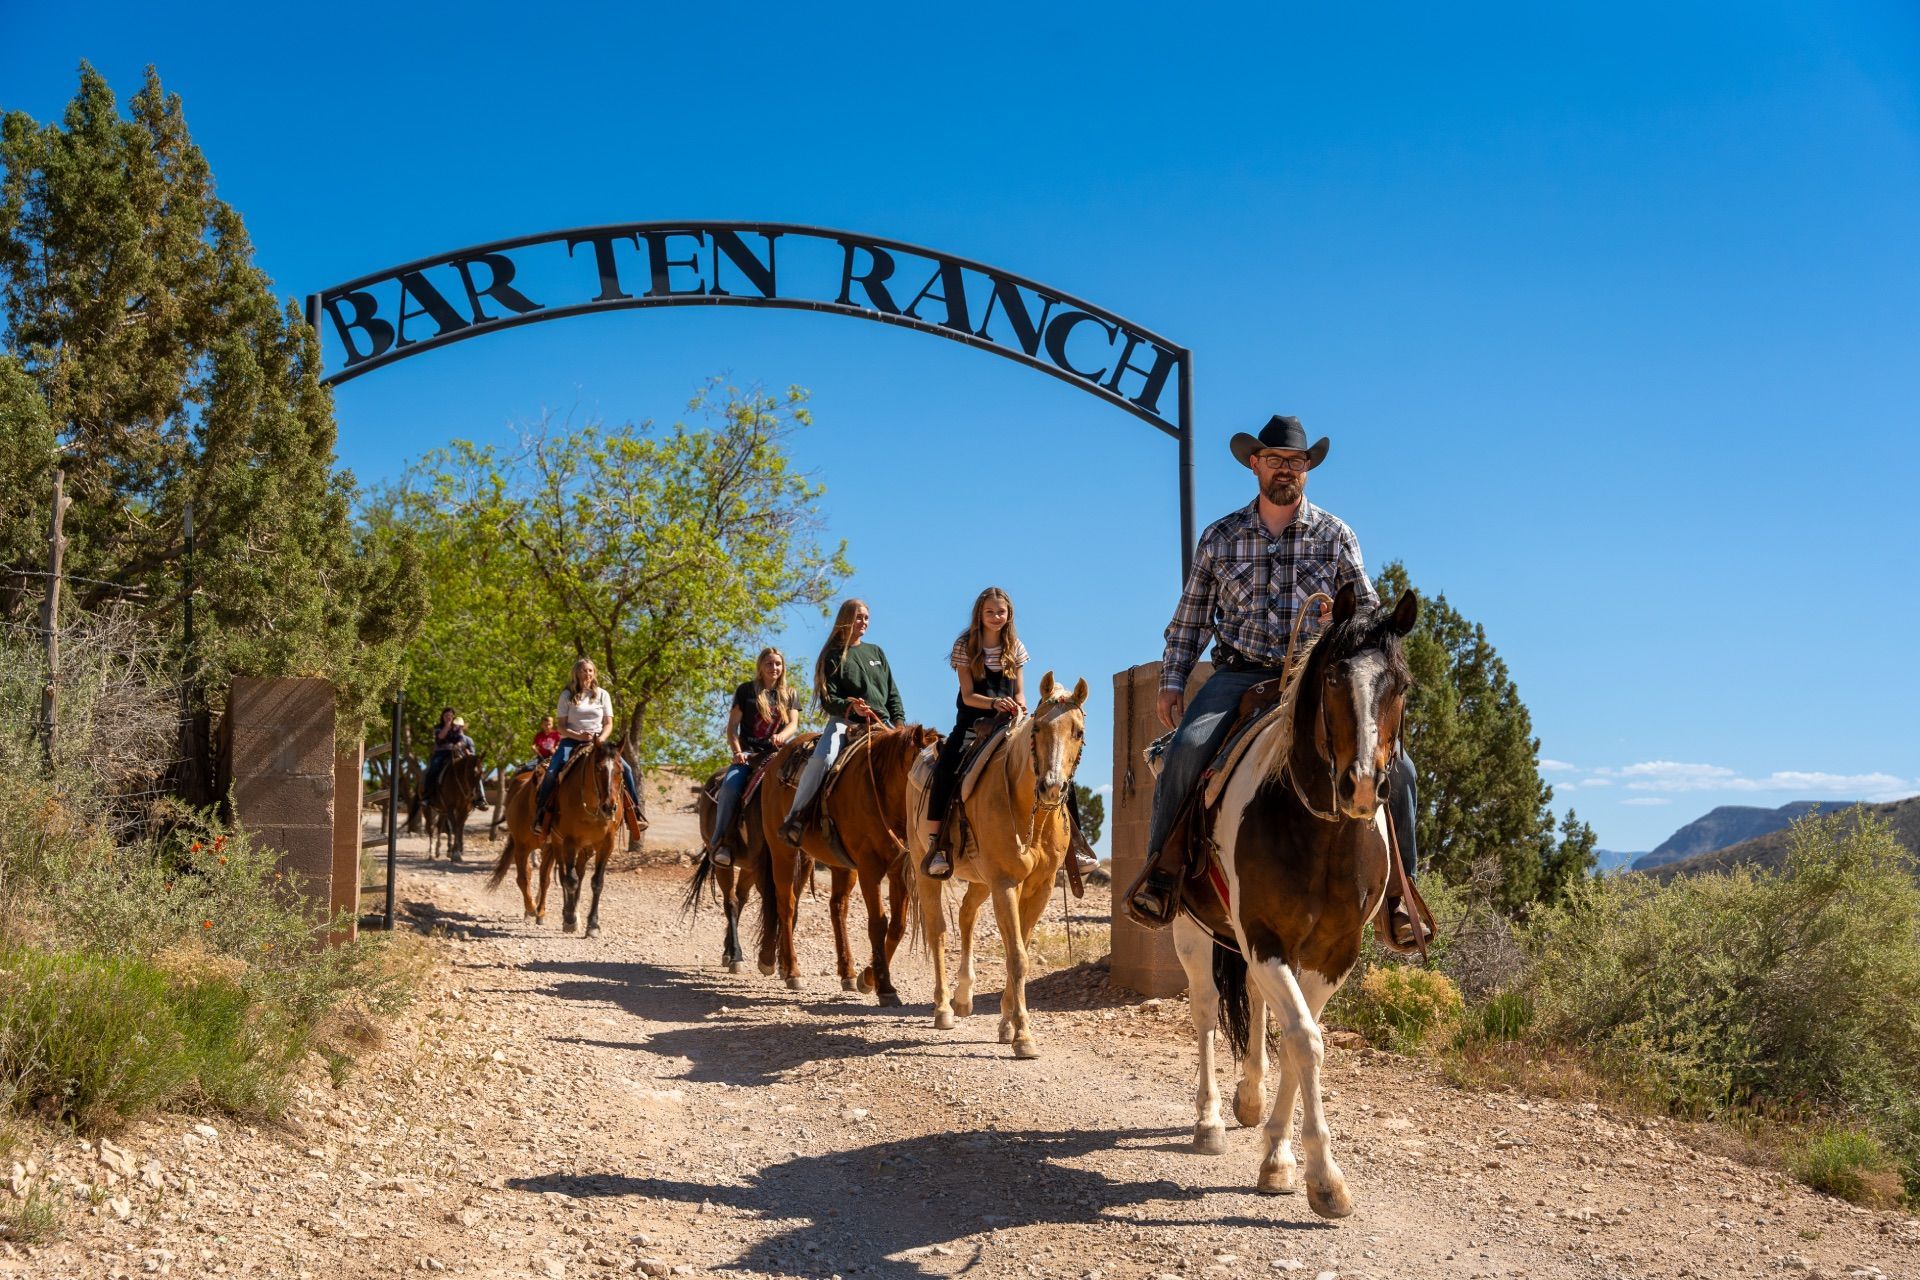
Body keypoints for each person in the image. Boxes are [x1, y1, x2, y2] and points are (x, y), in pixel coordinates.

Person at [1126, 414, 1423, 946]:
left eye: (1295, 461)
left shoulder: (1336, 536)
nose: (1284, 469)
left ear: (1307, 469)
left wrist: (1350, 627)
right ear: (1254, 465)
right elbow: (1190, 618)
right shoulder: (1220, 537)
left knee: (1400, 768)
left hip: (1314, 680)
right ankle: (1163, 873)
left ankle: (1400, 896)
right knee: (1188, 750)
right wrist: (1173, 681)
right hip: (1240, 674)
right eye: (1274, 460)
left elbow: (1372, 621)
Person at [778, 599, 905, 847]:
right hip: (845, 722)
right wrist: (851, 706)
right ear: (846, 619)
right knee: (823, 758)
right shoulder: (833, 655)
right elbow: (828, 698)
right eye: (859, 617)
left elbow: (892, 693)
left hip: (881, 723)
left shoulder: (876, 652)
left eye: (867, 617)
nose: (864, 622)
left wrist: (899, 725)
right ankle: (797, 816)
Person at [921, 588, 1030, 878]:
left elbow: (1020, 691)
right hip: (973, 722)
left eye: (1001, 612)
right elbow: (968, 695)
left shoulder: (1016, 647)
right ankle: (936, 844)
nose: (996, 617)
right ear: (979, 615)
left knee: (1048, 758)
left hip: (1010, 722)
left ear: (1009, 615)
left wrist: (1020, 706)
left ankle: (1075, 844)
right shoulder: (965, 646)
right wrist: (994, 702)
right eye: (990, 612)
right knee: (946, 769)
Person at [707, 648, 802, 868]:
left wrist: (782, 735)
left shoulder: (790, 693)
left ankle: (802, 837)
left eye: (778, 663)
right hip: (749, 755)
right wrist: (737, 751)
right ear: (760, 666)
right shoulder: (746, 691)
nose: (774, 668)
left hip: (777, 755)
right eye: (769, 663)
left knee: (804, 783)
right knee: (731, 787)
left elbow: (793, 724)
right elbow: (732, 727)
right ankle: (722, 842)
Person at [533, 657, 645, 843]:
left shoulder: (602, 694)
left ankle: (634, 813)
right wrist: (579, 736)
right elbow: (560, 727)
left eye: (590, 671)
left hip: (599, 742)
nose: (587, 674)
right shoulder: (567, 695)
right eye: (584, 670)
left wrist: (599, 739)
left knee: (626, 769)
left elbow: (608, 723)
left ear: (595, 673)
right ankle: (541, 815)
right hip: (571, 742)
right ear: (576, 673)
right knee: (552, 772)